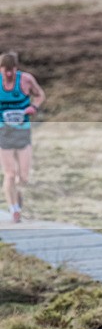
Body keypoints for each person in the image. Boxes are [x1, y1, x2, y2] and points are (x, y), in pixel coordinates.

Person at [0, 52, 45, 223]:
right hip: (3, 132)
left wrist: (33, 107)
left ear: (16, 69)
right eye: (5, 71)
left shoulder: (26, 80)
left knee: (23, 177)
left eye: (12, 70)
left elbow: (40, 95)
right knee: (10, 173)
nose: (9, 74)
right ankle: (14, 209)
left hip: (23, 131)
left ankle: (17, 197)